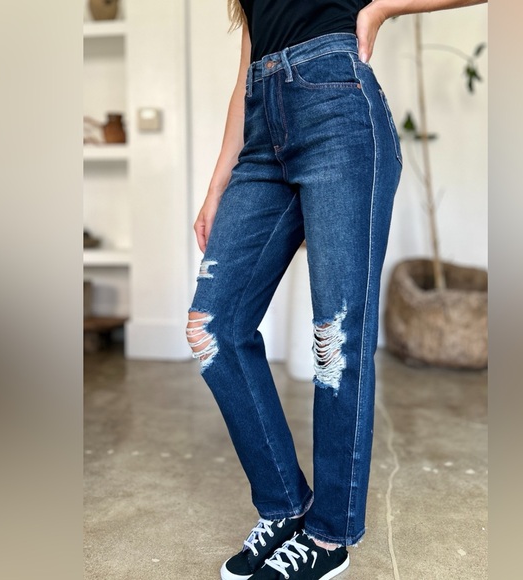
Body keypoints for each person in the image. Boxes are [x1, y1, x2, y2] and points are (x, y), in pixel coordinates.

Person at [186, 1, 486, 578]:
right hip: (262, 129)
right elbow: (248, 69)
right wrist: (218, 183)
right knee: (212, 327)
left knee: (337, 339)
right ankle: (285, 506)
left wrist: (381, 8)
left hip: (339, 116)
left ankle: (329, 536)